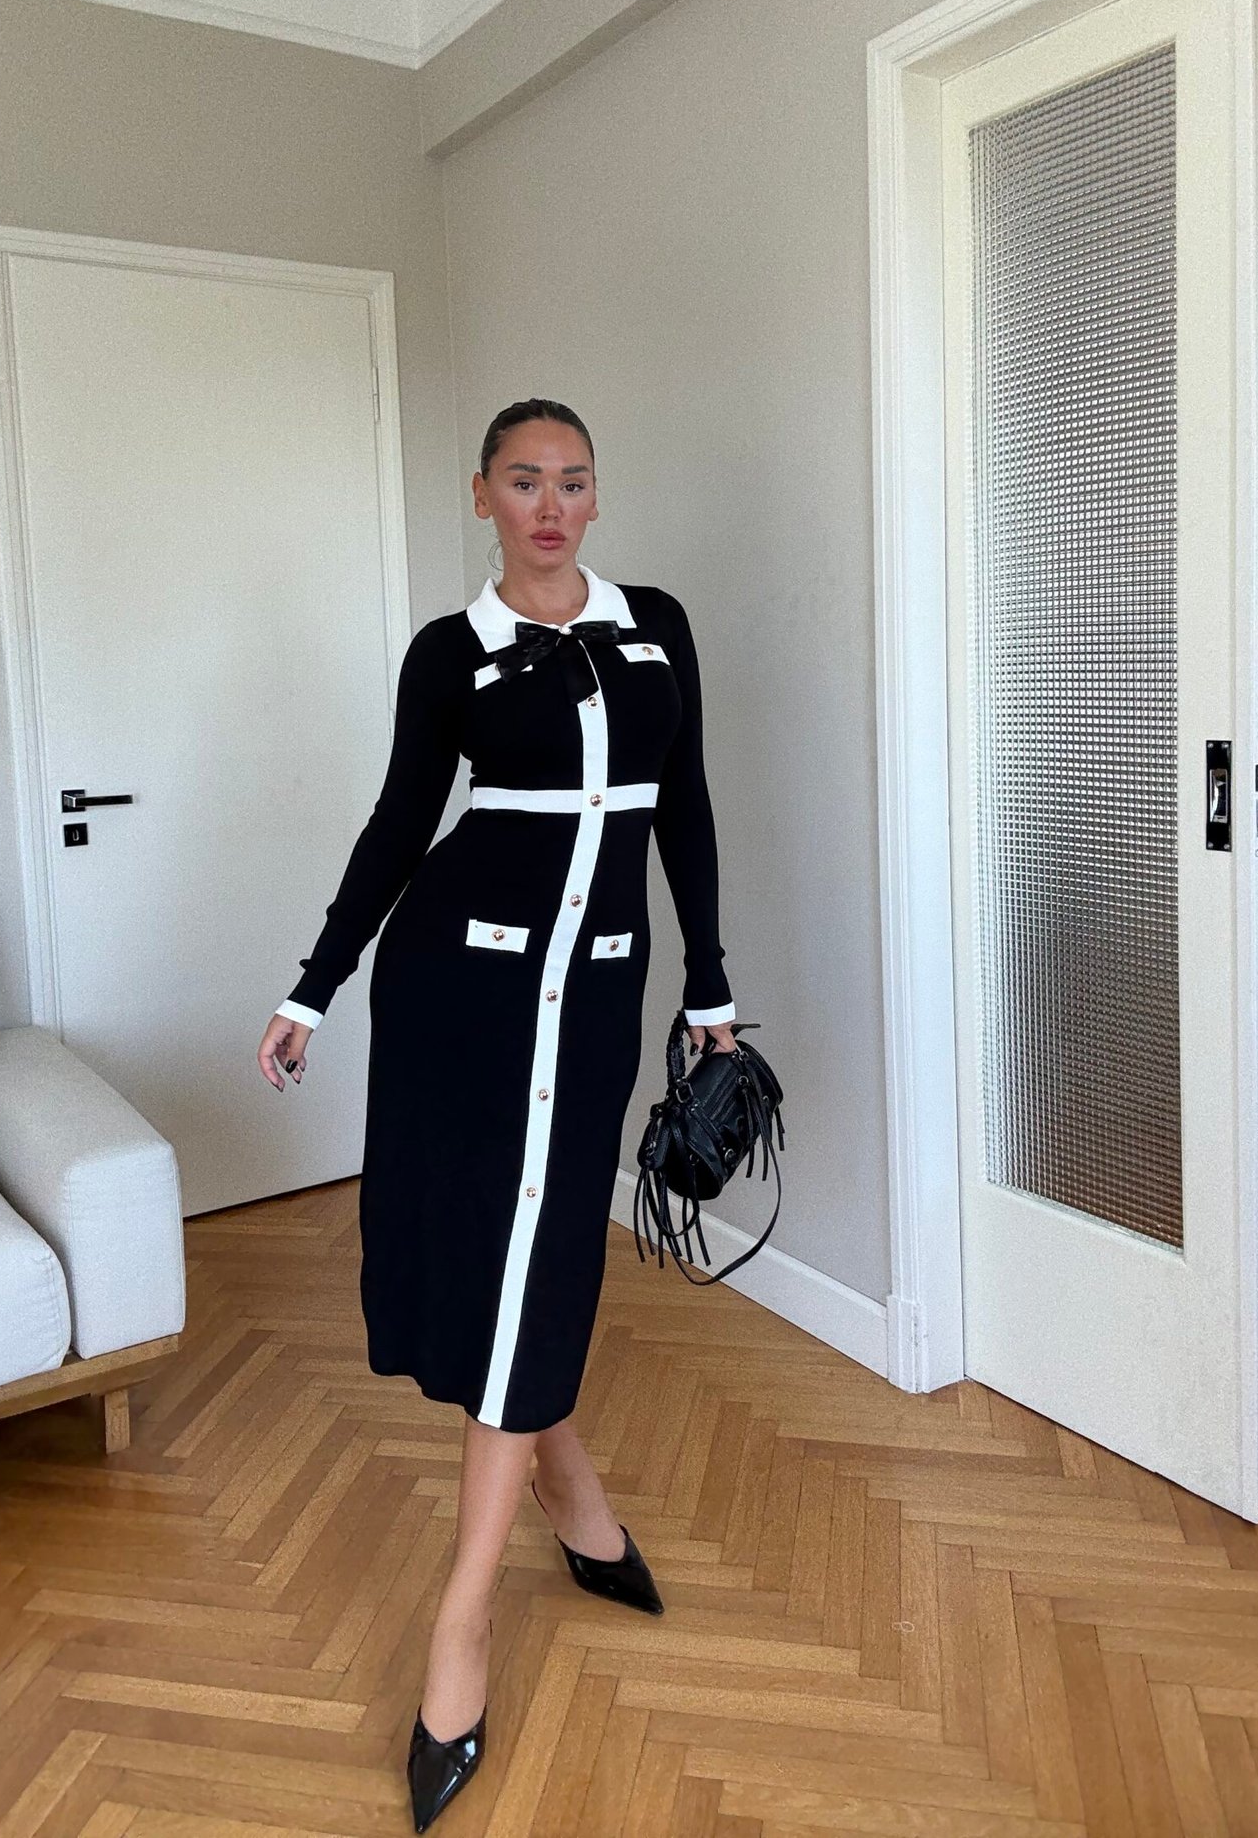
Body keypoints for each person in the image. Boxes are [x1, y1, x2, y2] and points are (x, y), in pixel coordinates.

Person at [256, 397, 737, 1830]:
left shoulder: (656, 626)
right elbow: (402, 822)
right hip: (460, 994)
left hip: (593, 999)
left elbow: (684, 806)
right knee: (500, 1249)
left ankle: (531, 1529)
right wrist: (314, 985)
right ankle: (482, 1597)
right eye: (524, 482)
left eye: (573, 481)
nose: (550, 506)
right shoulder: (450, 653)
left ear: (596, 494)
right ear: (483, 496)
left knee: (546, 1251)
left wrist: (711, 979)